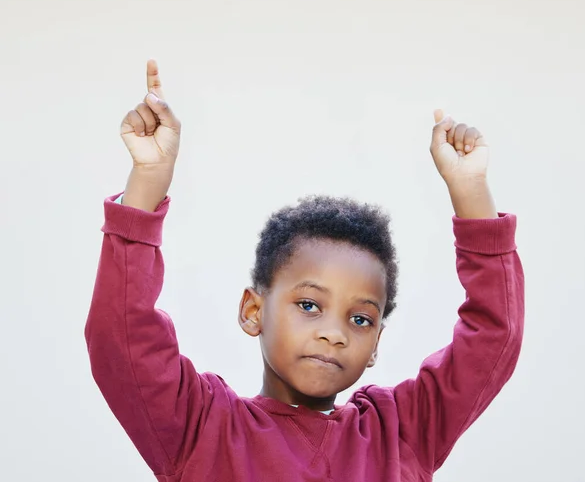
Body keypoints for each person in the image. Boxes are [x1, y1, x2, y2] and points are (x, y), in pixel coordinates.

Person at [85, 60, 524, 482]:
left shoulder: (403, 432)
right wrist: (147, 183)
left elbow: (492, 339)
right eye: (310, 304)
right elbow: (121, 335)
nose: (335, 333)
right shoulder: (200, 427)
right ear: (254, 310)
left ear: (375, 345)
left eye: (360, 319)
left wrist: (472, 196)